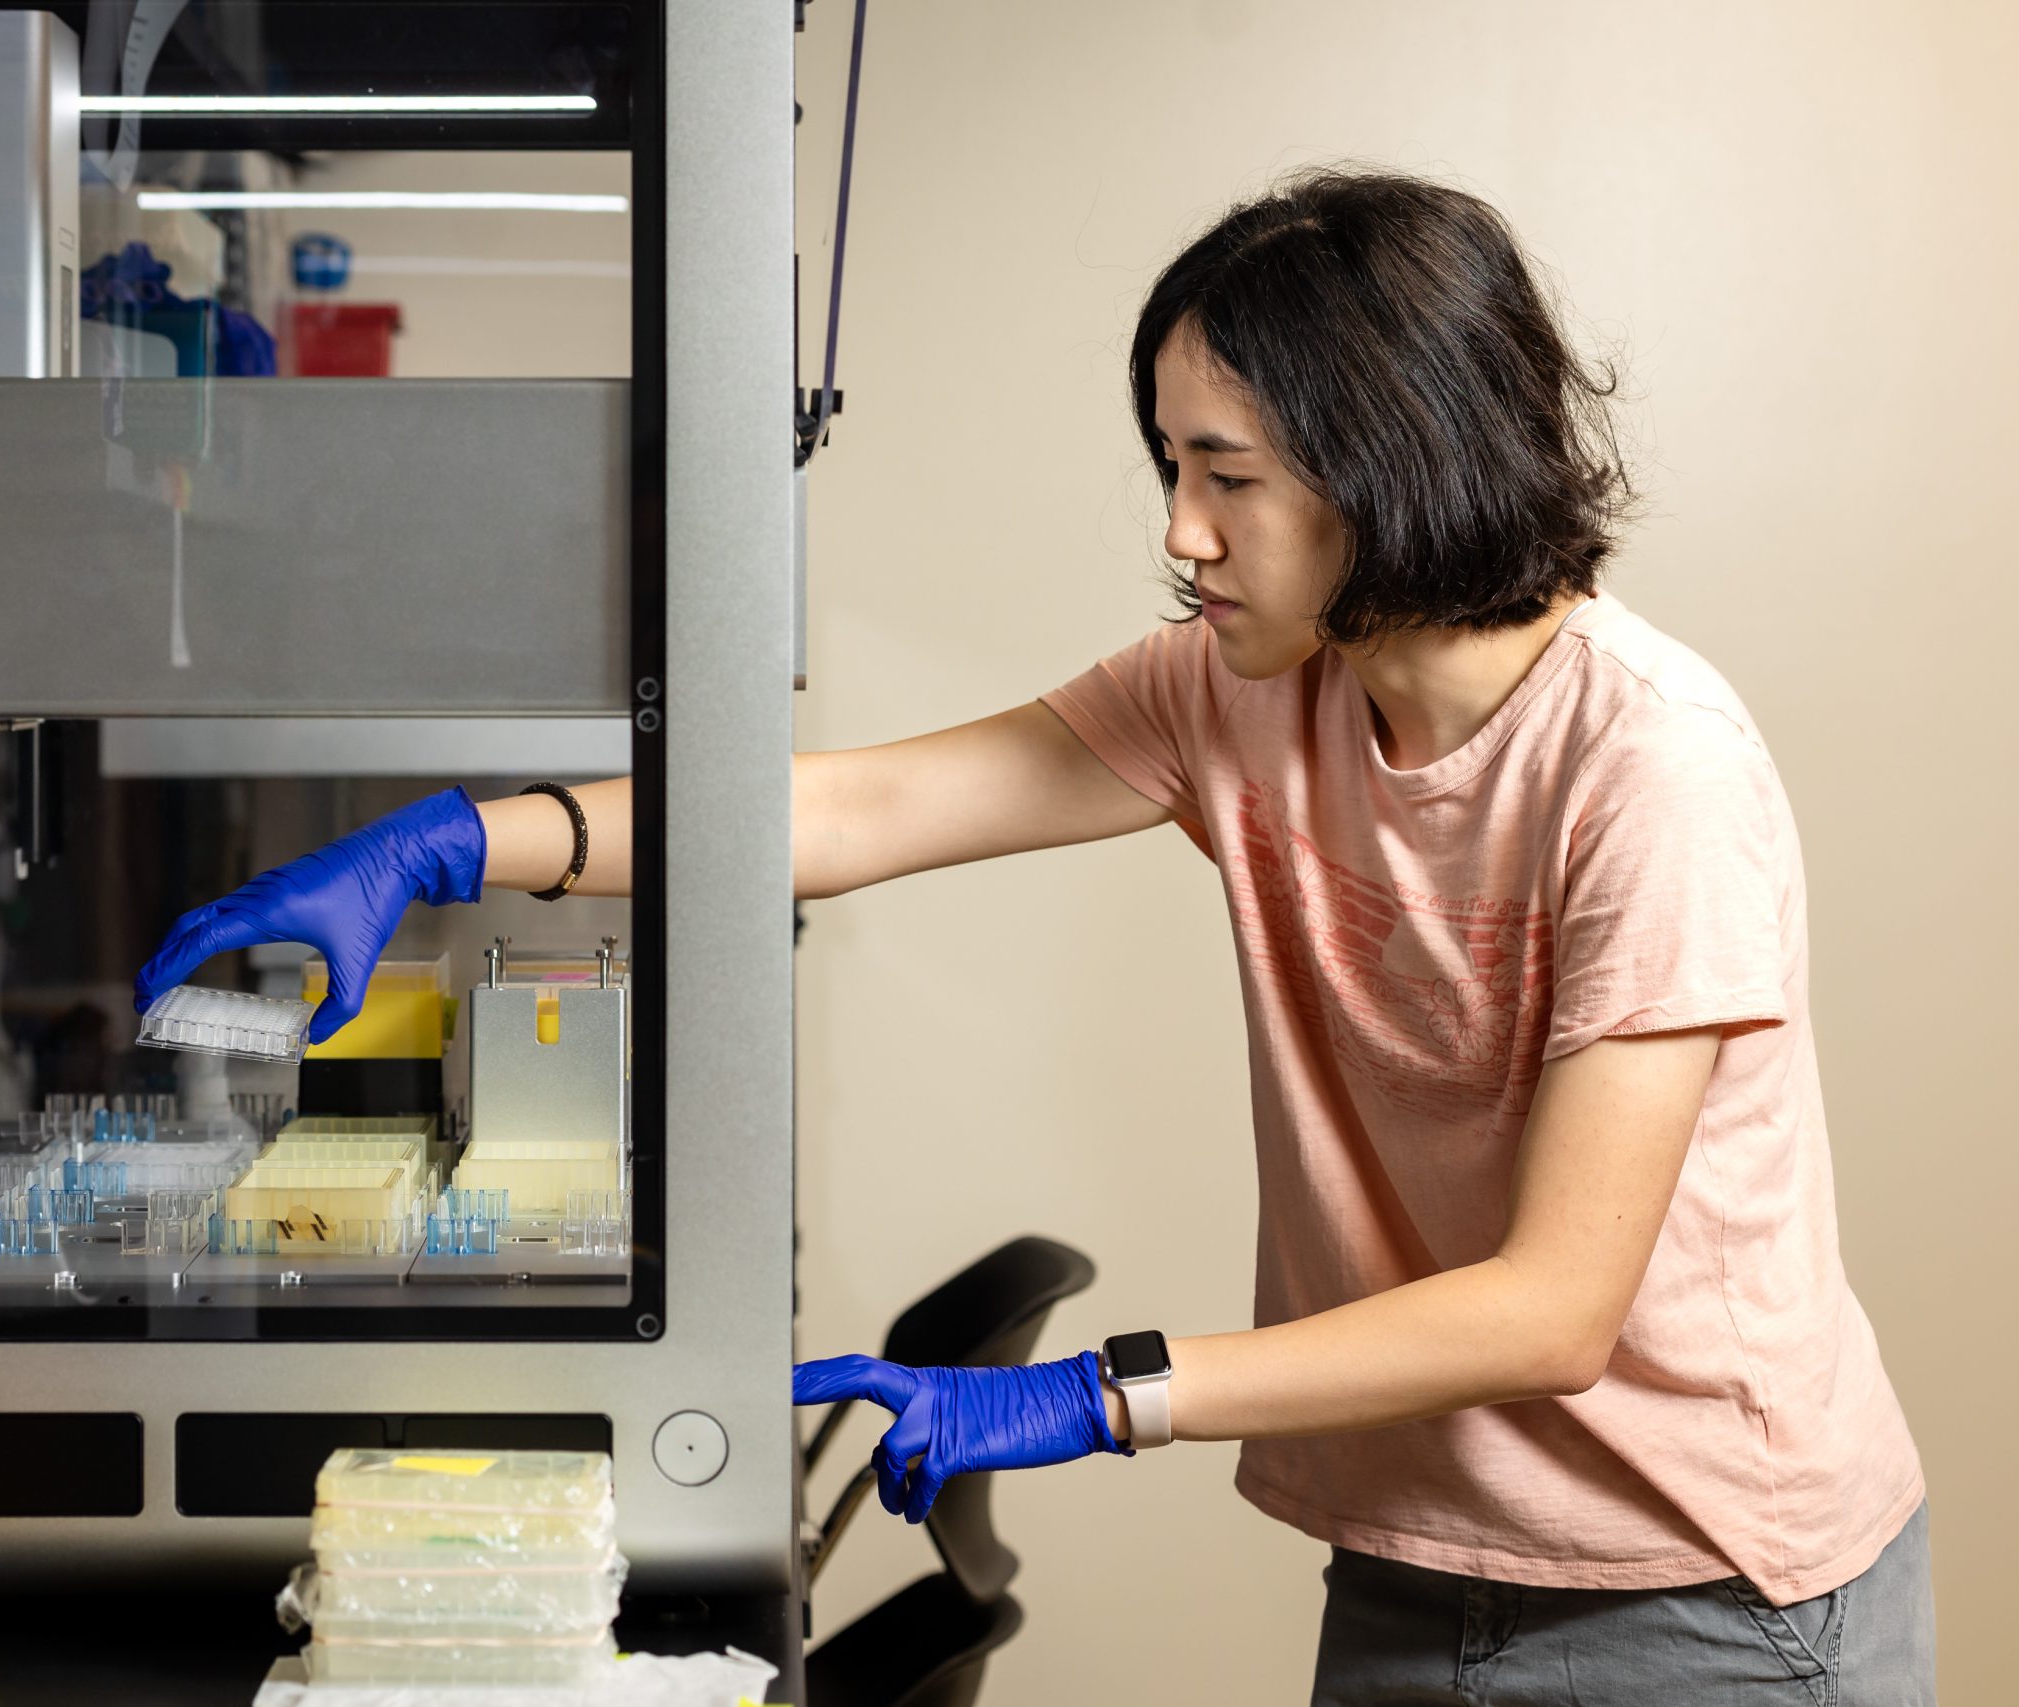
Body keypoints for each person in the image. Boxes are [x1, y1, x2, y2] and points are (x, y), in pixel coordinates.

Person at [131, 170, 1932, 1703]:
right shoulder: (1251, 694)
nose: (1180, 534)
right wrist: (453, 843)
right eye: (1172, 467)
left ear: (1388, 463)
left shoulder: (1649, 770)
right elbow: (855, 811)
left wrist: (1105, 1396)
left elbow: (1555, 1310)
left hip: (1703, 1601)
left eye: (1225, 476)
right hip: (1419, 1556)